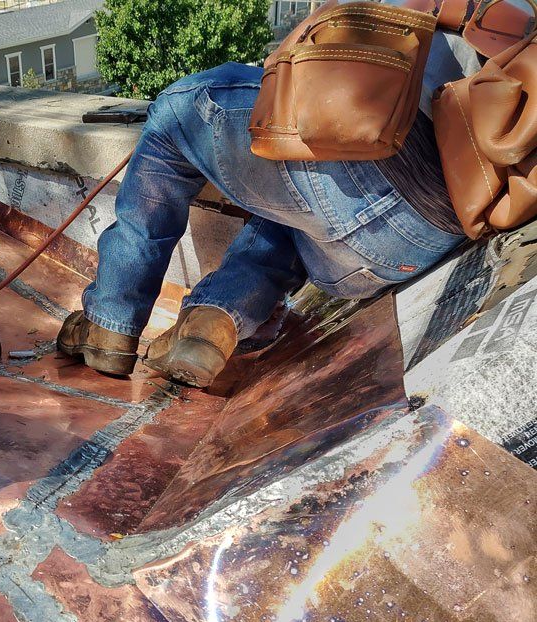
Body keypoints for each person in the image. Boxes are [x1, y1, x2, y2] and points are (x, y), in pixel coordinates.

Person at [57, 26, 487, 388]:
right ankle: (215, 318)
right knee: (291, 217)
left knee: (174, 112)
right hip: (411, 245)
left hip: (373, 155)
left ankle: (110, 321)